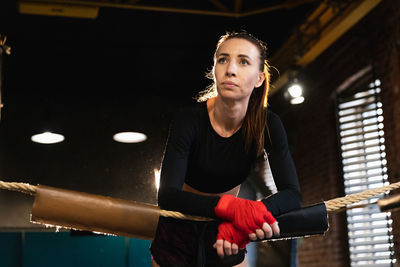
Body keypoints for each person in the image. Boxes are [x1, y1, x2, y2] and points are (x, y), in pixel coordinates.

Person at [150, 30, 302, 267]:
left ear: (259, 78)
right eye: (223, 60)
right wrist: (230, 206)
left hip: (229, 228)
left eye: (243, 61)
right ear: (214, 70)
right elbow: (167, 195)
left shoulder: (268, 124)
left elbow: (292, 194)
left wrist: (249, 216)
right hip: (179, 228)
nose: (231, 69)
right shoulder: (188, 119)